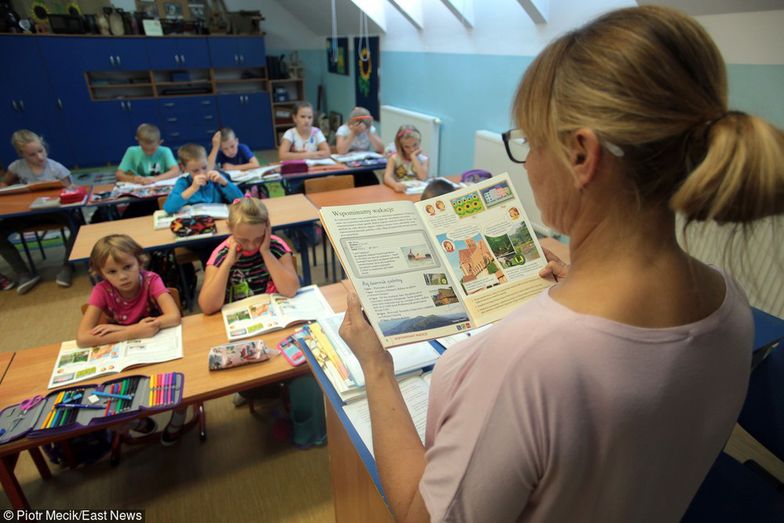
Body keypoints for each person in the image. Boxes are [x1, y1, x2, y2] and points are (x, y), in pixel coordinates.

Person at [337, 6, 784, 522]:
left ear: (580, 155)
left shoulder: (529, 361)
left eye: (527, 141)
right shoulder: (731, 303)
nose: (525, 163)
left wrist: (374, 365)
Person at [77, 234, 187, 445]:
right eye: (112, 272)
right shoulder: (101, 290)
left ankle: (178, 418)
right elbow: (82, 338)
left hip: (157, 345)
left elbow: (173, 316)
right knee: (100, 394)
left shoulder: (151, 280)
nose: (122, 277)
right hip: (126, 352)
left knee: (180, 379)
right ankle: (135, 423)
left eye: (128, 267)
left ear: (140, 260)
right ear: (100, 273)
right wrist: (135, 331)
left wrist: (120, 331)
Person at [0, 130, 77, 292]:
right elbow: (4, 185)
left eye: (41, 151)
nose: (39, 157)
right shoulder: (16, 167)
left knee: (77, 225)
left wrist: (64, 192)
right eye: (32, 155)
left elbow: (71, 190)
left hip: (54, 212)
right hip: (27, 213)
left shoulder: (56, 168)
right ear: (22, 154)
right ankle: (24, 273)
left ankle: (67, 266)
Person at [198, 197, 299, 315]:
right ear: (230, 228)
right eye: (243, 240)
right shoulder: (221, 255)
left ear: (267, 227)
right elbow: (207, 307)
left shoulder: (276, 247)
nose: (251, 246)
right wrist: (227, 264)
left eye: (258, 238)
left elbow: (290, 290)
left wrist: (266, 252)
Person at [383, 125, 429, 193]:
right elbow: (387, 177)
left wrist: (413, 157)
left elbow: (422, 177)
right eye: (407, 147)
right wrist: (395, 185)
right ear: (401, 146)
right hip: (400, 191)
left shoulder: (424, 159)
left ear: (419, 142)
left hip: (417, 192)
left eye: (415, 145)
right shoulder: (394, 158)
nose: (412, 149)